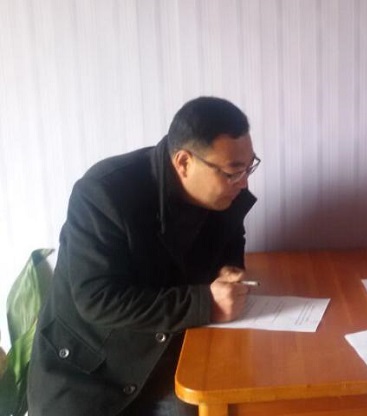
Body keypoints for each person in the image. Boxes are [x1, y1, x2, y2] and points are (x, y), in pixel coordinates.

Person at [27, 97, 261, 415]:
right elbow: (97, 299)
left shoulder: (224, 195)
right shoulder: (104, 193)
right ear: (184, 162)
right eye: (233, 172)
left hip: (167, 359)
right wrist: (206, 303)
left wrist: (228, 269)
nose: (243, 182)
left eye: (249, 167)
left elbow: (232, 237)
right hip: (88, 374)